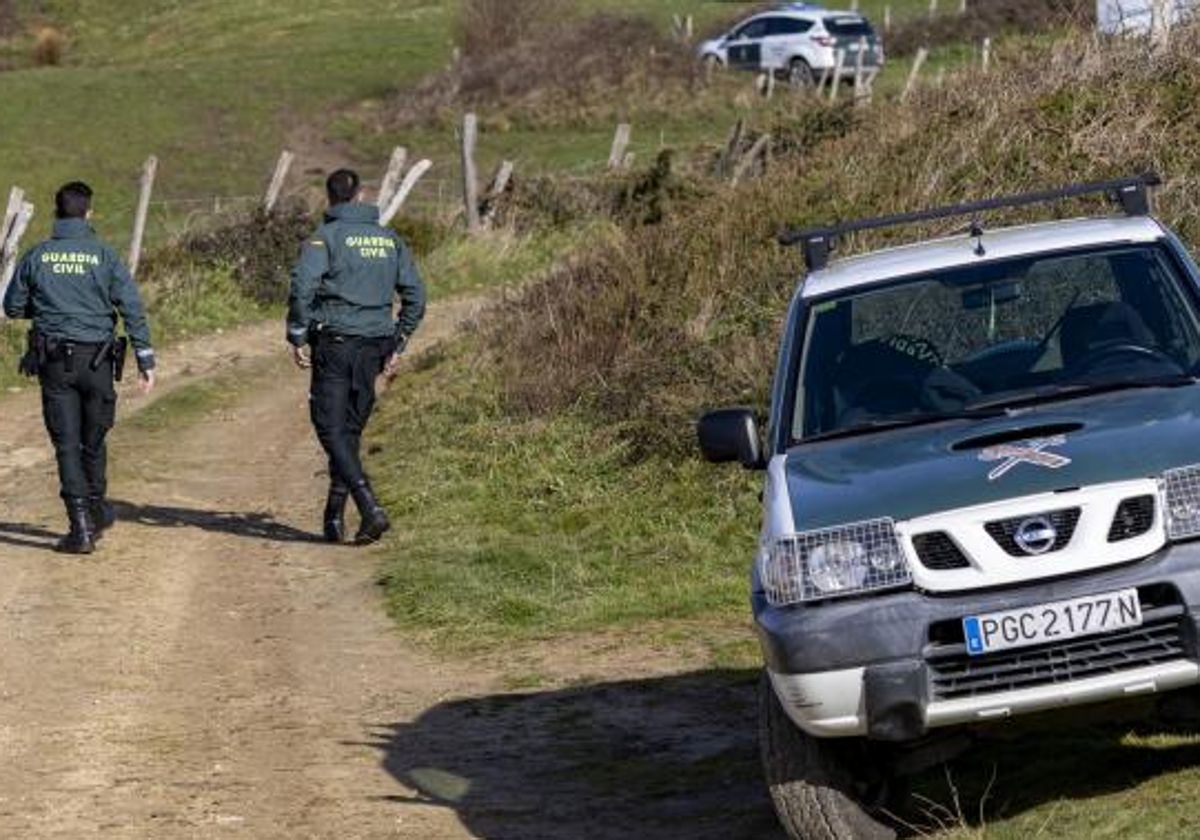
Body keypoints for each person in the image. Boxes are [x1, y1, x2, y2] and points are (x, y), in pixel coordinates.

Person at [2, 181, 157, 554]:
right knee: (94, 439)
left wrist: (48, 309)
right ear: (89, 213)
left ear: (57, 213)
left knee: (67, 446)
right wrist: (145, 359)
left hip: (54, 363)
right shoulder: (104, 256)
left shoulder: (37, 256)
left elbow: (13, 306)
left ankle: (81, 528)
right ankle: (97, 507)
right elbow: (131, 308)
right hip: (99, 362)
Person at [287, 168, 426, 545]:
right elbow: (416, 297)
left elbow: (303, 286)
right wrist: (398, 342)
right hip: (375, 346)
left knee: (329, 427)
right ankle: (334, 516)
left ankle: (369, 507)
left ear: (329, 198)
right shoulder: (390, 240)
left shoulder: (324, 239)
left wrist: (297, 333)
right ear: (361, 196)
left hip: (335, 344)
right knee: (348, 430)